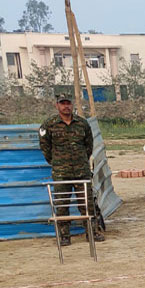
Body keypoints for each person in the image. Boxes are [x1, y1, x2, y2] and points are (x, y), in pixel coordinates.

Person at [39, 93, 103, 245]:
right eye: (62, 103)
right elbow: (45, 147)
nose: (66, 106)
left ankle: (92, 232)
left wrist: (82, 160)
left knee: (87, 203)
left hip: (81, 171)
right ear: (57, 105)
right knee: (62, 204)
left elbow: (89, 145)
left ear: (72, 105)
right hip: (61, 173)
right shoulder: (49, 125)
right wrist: (57, 162)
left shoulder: (82, 124)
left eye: (68, 103)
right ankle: (64, 236)